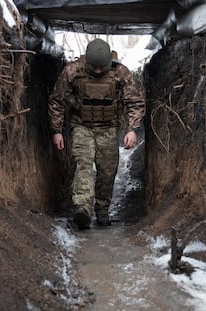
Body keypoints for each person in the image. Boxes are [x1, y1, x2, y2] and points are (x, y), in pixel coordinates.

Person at [48, 38, 145, 229]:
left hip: (108, 128)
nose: (99, 71)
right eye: (95, 67)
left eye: (102, 68)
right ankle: (82, 208)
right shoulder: (73, 71)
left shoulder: (120, 72)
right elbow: (57, 101)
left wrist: (132, 130)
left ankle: (102, 210)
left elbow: (135, 101)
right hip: (81, 127)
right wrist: (56, 131)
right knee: (83, 164)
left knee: (107, 171)